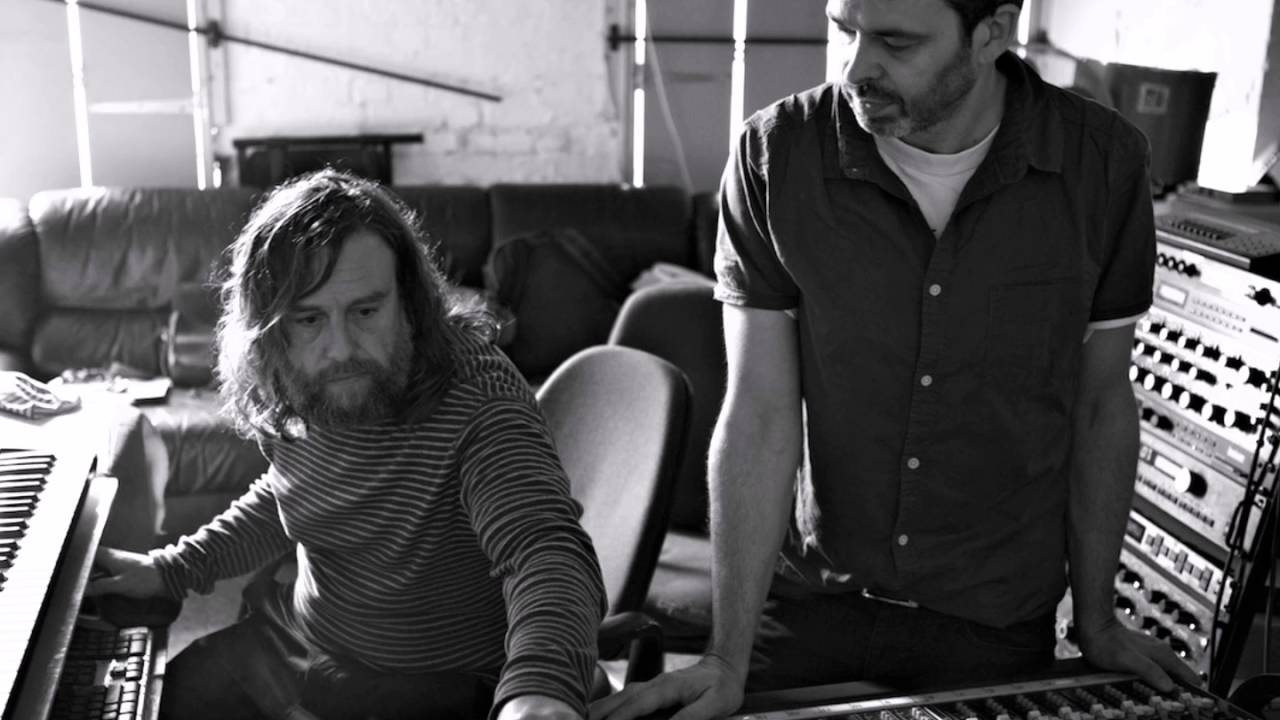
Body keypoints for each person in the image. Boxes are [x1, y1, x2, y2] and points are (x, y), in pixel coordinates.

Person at [592, 1, 1201, 718]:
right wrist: (725, 657)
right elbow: (757, 413)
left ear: (992, 34)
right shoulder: (776, 156)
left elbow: (1101, 406)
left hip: (993, 621)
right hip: (806, 606)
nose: (855, 66)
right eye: (845, 29)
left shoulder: (1102, 164)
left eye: (895, 42)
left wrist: (1097, 621)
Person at [89, 169, 606, 720]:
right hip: (302, 644)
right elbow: (290, 493)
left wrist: (540, 687)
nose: (341, 350)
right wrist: (171, 570)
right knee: (152, 702)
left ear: (410, 302)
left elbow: (543, 550)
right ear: (270, 330)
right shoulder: (295, 377)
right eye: (309, 319)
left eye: (365, 311)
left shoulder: (478, 399)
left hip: (428, 688)